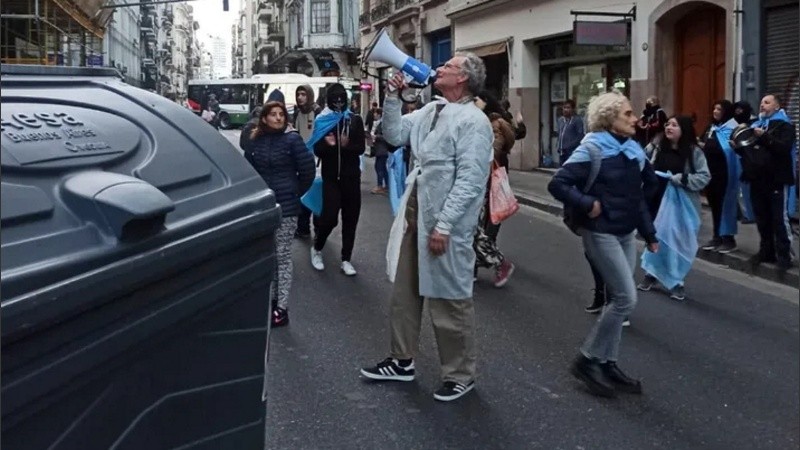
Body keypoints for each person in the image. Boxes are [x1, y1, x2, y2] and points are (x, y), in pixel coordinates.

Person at [360, 53, 493, 402]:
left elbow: (471, 180)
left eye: (449, 66)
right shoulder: (432, 110)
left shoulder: (474, 122)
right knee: (405, 294)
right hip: (417, 217)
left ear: (463, 78)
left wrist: (445, 225)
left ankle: (460, 374)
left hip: (446, 223)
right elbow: (393, 134)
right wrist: (391, 96)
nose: (441, 68)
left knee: (450, 300)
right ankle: (401, 360)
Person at [548, 91, 659, 398]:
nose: (634, 118)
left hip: (625, 231)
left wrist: (649, 234)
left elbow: (639, 194)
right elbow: (557, 184)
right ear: (610, 120)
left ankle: (606, 363)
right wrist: (587, 203)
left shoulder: (634, 150)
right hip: (600, 231)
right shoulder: (593, 149)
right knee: (626, 299)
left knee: (618, 299)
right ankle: (587, 359)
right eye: (627, 114)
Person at [243, 101, 315, 327]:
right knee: (268, 255)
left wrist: (294, 193)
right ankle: (270, 299)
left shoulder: (292, 140)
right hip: (264, 207)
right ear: (263, 118)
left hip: (286, 207)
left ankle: (281, 308)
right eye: (273, 115)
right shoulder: (256, 141)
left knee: (282, 256)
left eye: (281, 114)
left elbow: (308, 170)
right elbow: (248, 172)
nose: (278, 118)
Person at [638, 116, 711, 301]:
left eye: (674, 125)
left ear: (683, 130)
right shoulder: (656, 146)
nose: (669, 127)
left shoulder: (694, 152)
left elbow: (704, 176)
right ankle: (651, 273)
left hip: (681, 204)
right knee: (655, 237)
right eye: (668, 124)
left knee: (677, 240)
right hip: (657, 199)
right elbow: (641, 161)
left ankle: (676, 281)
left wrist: (684, 179)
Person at [734, 94, 797, 272]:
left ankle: (785, 256)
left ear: (777, 107)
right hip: (757, 179)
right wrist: (739, 148)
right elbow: (752, 154)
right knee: (762, 218)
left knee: (779, 219)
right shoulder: (756, 126)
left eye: (767, 102)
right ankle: (766, 251)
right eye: (761, 102)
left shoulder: (785, 126)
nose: (762, 105)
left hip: (776, 179)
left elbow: (783, 148)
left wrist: (765, 137)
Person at [310, 84, 366, 276]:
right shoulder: (323, 120)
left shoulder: (355, 120)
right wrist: (331, 146)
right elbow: (317, 150)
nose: (339, 102)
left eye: (342, 98)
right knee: (329, 217)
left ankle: (346, 259)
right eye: (335, 98)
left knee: (351, 219)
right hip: (331, 178)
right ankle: (317, 247)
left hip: (352, 178)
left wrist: (346, 145)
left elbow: (360, 148)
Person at [473, 91, 516, 287]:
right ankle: (473, 266)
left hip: (487, 178)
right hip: (480, 178)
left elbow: (493, 151)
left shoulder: (494, 124)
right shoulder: (479, 121)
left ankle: (498, 262)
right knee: (473, 227)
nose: (472, 103)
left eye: (476, 100)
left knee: (475, 228)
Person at [699, 100, 740, 253]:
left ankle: (728, 239)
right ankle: (717, 236)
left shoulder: (732, 128)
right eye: (714, 108)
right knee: (715, 205)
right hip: (711, 173)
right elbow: (704, 142)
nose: (715, 112)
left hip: (725, 173)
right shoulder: (712, 127)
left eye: (719, 109)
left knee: (725, 205)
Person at [292, 84, 322, 239]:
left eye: (303, 94)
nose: (300, 97)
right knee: (302, 196)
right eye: (298, 94)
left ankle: (319, 229)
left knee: (316, 196)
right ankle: (303, 228)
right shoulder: (297, 113)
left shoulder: (317, 112)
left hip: (317, 162)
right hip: (302, 161)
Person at [733, 100, 757, 224]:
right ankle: (745, 213)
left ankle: (750, 214)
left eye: (740, 110)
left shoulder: (754, 124)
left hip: (748, 159)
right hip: (739, 157)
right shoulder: (735, 124)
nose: (737, 112)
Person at [557, 99, 586, 165]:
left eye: (568, 108)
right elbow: (560, 134)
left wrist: (570, 146)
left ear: (573, 109)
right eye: (564, 107)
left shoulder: (577, 120)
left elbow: (580, 136)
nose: (565, 110)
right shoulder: (561, 120)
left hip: (571, 152)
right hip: (561, 151)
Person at [369, 108, 390, 195]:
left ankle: (380, 185)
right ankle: (387, 185)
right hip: (379, 149)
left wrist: (375, 137)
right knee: (383, 168)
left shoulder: (382, 124)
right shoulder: (377, 124)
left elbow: (386, 136)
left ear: (379, 114)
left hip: (382, 149)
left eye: (376, 113)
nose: (374, 115)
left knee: (379, 167)